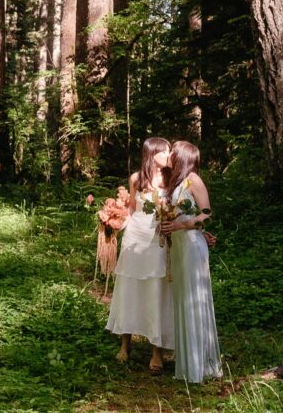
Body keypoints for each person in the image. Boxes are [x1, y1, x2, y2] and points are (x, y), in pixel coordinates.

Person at [106, 137, 174, 373]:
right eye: (165, 151)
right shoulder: (136, 179)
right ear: (152, 153)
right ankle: (125, 343)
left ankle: (157, 350)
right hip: (136, 237)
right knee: (130, 287)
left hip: (159, 238)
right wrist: (113, 220)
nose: (169, 154)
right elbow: (132, 210)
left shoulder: (172, 178)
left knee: (157, 288)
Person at [160, 140, 222, 384]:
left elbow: (206, 213)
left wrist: (182, 225)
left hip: (192, 246)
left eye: (174, 150)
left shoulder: (194, 179)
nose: (170, 153)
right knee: (182, 299)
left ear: (183, 156)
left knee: (193, 299)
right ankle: (186, 363)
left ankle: (200, 365)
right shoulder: (177, 182)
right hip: (179, 246)